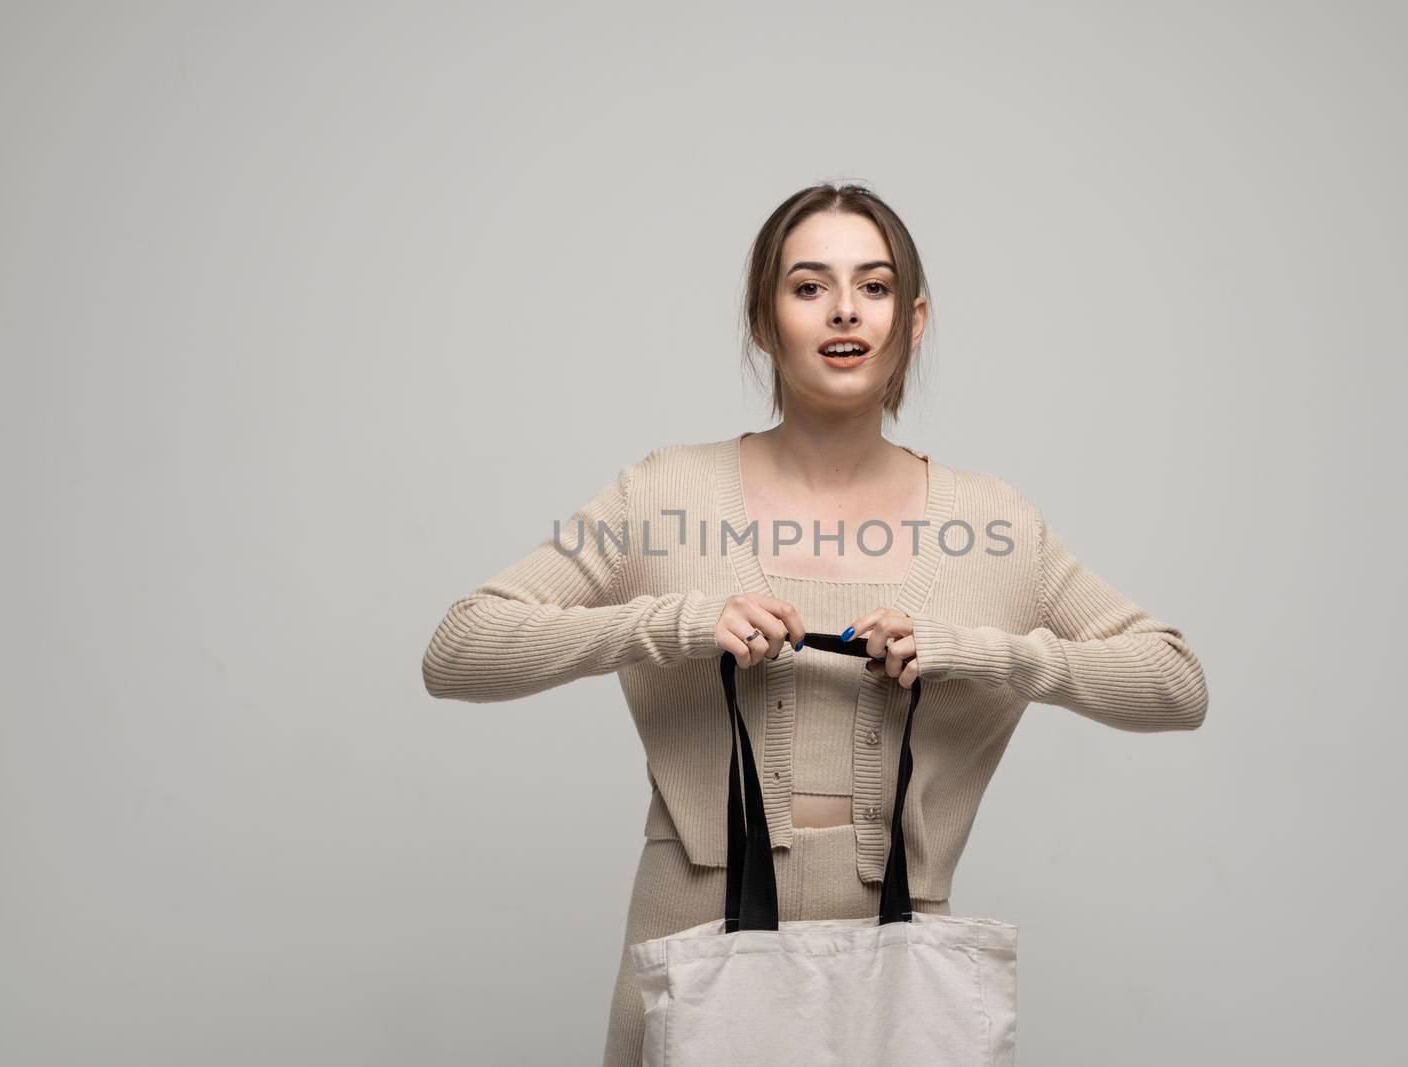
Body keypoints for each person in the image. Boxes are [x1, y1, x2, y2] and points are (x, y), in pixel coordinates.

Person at [421, 182, 1210, 1064]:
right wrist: (673, 623)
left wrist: (977, 653)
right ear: (764, 319)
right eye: (808, 287)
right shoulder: (664, 495)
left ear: (912, 322)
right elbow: (459, 649)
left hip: (902, 956)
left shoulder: (992, 522)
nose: (844, 311)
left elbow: (1175, 681)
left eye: (874, 287)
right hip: (692, 923)